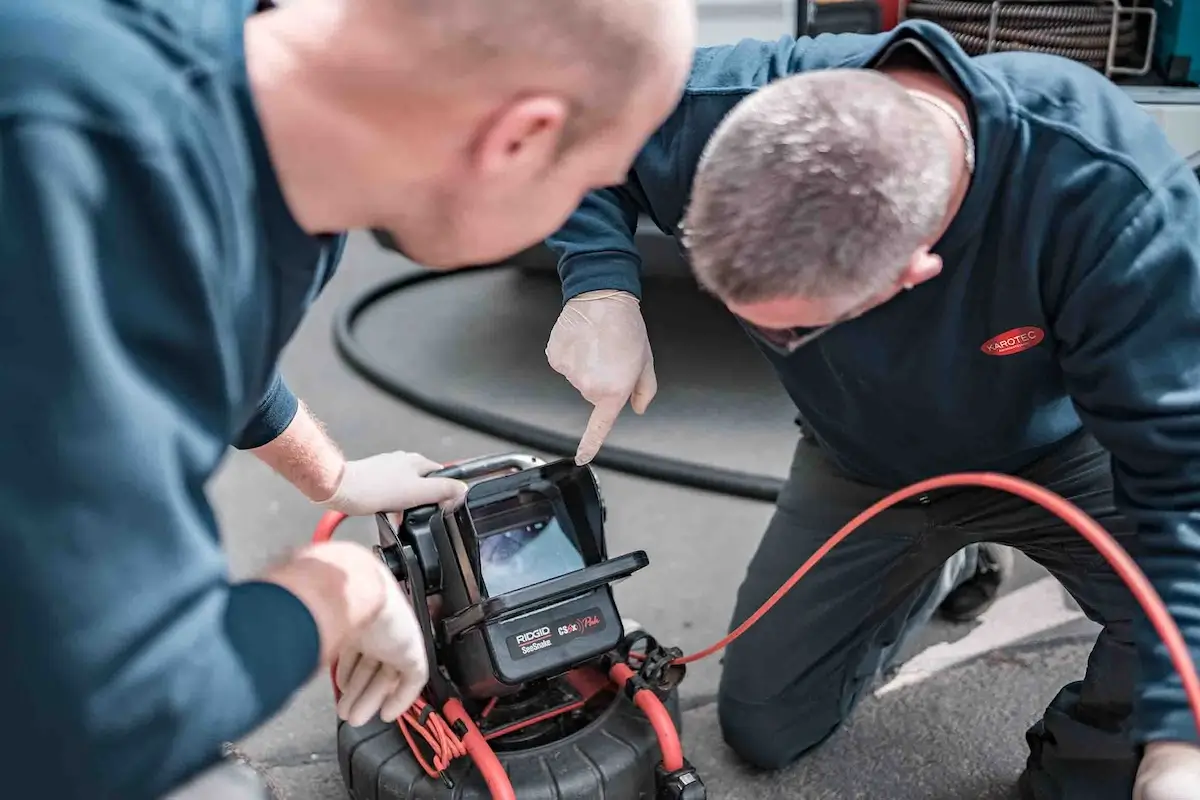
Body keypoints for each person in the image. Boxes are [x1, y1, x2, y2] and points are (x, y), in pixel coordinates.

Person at [0, 0, 696, 797]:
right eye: (590, 185)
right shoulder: (78, 176)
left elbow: (209, 338)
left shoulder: (255, 121)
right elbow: (111, 714)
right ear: (520, 140)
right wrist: (345, 587)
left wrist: (333, 478)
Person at [543, 20, 1200, 800]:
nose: (770, 341)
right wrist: (601, 286)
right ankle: (946, 553)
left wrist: (1175, 743)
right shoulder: (717, 108)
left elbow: (1181, 491)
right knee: (763, 724)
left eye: (796, 325)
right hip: (865, 462)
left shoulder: (1110, 194)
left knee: (1165, 676)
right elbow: (576, 129)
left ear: (915, 273)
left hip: (1061, 459)